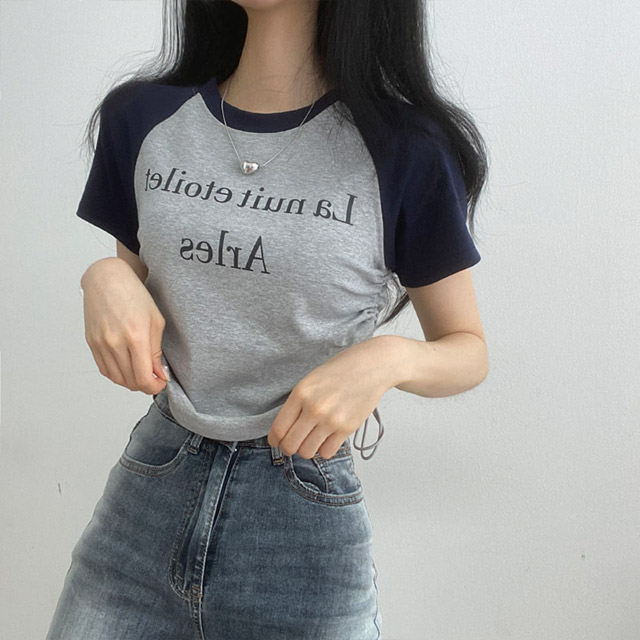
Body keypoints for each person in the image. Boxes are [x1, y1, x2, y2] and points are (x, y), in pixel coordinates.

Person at [46, 0, 489, 638]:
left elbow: (467, 349)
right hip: (145, 504)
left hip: (302, 525)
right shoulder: (143, 118)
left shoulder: (404, 149)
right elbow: (140, 288)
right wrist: (102, 276)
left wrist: (388, 357)